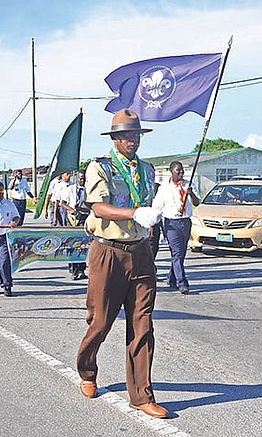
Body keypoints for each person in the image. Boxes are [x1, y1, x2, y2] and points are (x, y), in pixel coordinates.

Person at [76, 109, 167, 418]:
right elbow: (99, 207)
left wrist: (153, 214)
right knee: (100, 321)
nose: (132, 140)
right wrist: (133, 214)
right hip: (108, 252)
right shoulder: (100, 168)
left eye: (136, 135)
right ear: (115, 138)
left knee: (143, 324)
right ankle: (87, 371)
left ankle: (142, 395)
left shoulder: (148, 170)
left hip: (140, 252)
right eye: (127, 135)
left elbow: (146, 202)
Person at [153, 161, 200, 295]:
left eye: (182, 171)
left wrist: (190, 193)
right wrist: (152, 222)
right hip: (171, 223)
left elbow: (196, 203)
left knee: (181, 253)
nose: (180, 173)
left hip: (185, 222)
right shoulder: (164, 188)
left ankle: (171, 278)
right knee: (177, 252)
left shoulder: (188, 185)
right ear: (171, 171)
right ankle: (182, 282)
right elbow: (157, 206)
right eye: (177, 171)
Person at [60, 171, 88, 279]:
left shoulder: (88, 190)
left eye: (84, 179)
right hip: (72, 219)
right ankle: (74, 269)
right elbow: (63, 203)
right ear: (77, 179)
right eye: (81, 179)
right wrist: (71, 209)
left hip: (83, 218)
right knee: (72, 244)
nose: (82, 181)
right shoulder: (70, 189)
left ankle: (81, 269)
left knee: (82, 245)